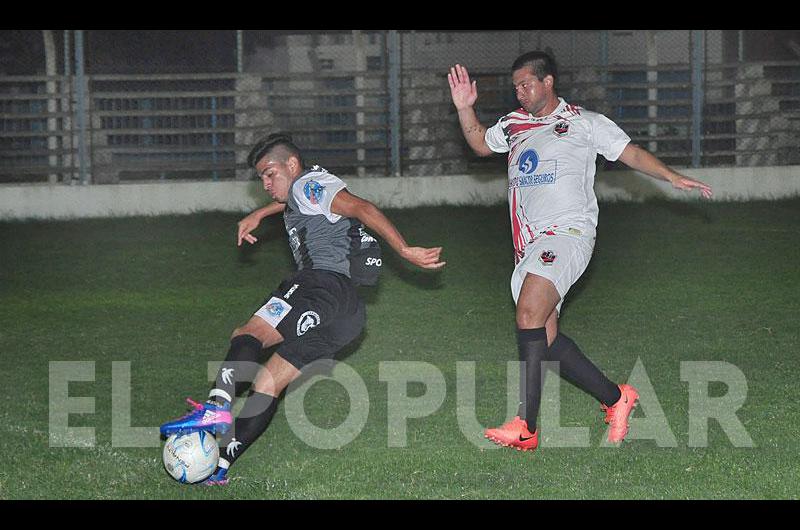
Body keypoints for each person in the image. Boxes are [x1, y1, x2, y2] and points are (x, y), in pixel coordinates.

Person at [447, 52, 712, 451]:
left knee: (529, 313)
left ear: (548, 81)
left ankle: (526, 426)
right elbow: (480, 144)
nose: (519, 92)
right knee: (546, 341)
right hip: (529, 244)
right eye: (515, 86)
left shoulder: (584, 122)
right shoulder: (514, 124)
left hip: (568, 234)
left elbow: (631, 152)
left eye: (526, 84)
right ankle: (616, 398)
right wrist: (465, 109)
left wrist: (671, 176)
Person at [160, 133, 445, 484]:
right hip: (349, 315)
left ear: (292, 165)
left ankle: (216, 407)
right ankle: (220, 464)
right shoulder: (306, 190)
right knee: (267, 382)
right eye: (261, 177)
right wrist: (261, 213)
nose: (265, 183)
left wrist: (404, 250)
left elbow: (362, 208)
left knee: (249, 334)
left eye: (269, 173)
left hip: (319, 286)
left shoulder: (308, 182)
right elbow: (297, 202)